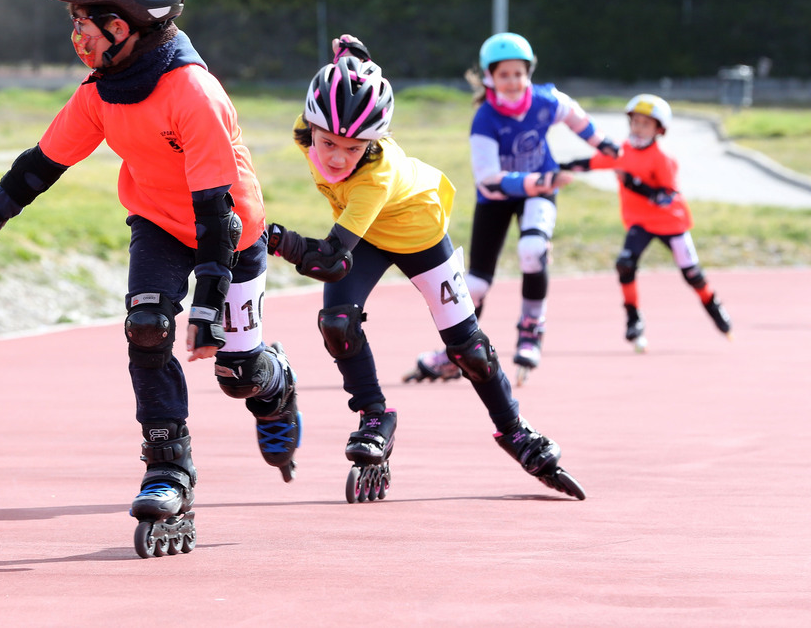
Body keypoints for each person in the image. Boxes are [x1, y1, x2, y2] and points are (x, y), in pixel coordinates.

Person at [0, 0, 301, 558]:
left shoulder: (193, 92)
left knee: (236, 374)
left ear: (123, 24)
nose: (75, 34)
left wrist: (210, 299)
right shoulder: (103, 92)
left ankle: (274, 380)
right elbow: (39, 166)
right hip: (158, 221)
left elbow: (217, 208)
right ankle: (168, 470)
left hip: (229, 236)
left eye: (83, 20)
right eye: (73, 20)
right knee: (148, 326)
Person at [266, 35, 585, 502]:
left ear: (373, 143)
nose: (336, 158)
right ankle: (376, 416)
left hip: (420, 234)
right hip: (368, 235)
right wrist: (351, 59)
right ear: (310, 125)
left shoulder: (375, 174)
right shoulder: (308, 127)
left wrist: (277, 239)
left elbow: (329, 260)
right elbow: (345, 87)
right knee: (336, 323)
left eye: (354, 149)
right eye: (328, 142)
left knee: (468, 349)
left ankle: (516, 431)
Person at [405, 32, 620, 385]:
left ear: (529, 72)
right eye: (504, 75)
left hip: (539, 191)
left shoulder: (546, 100)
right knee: (473, 285)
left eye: (519, 73)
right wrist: (539, 181)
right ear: (490, 77)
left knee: (533, 250)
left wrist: (602, 143)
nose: (513, 82)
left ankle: (531, 328)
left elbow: (576, 117)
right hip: (498, 198)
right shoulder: (485, 120)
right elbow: (489, 179)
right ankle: (455, 352)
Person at [559, 93, 732, 349]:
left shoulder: (663, 159)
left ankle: (714, 306)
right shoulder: (621, 151)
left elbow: (666, 197)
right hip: (640, 222)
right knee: (625, 264)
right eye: (635, 122)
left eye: (646, 124)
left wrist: (635, 184)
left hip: (671, 224)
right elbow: (590, 163)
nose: (638, 128)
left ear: (659, 130)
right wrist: (556, 166)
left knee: (692, 274)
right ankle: (633, 318)